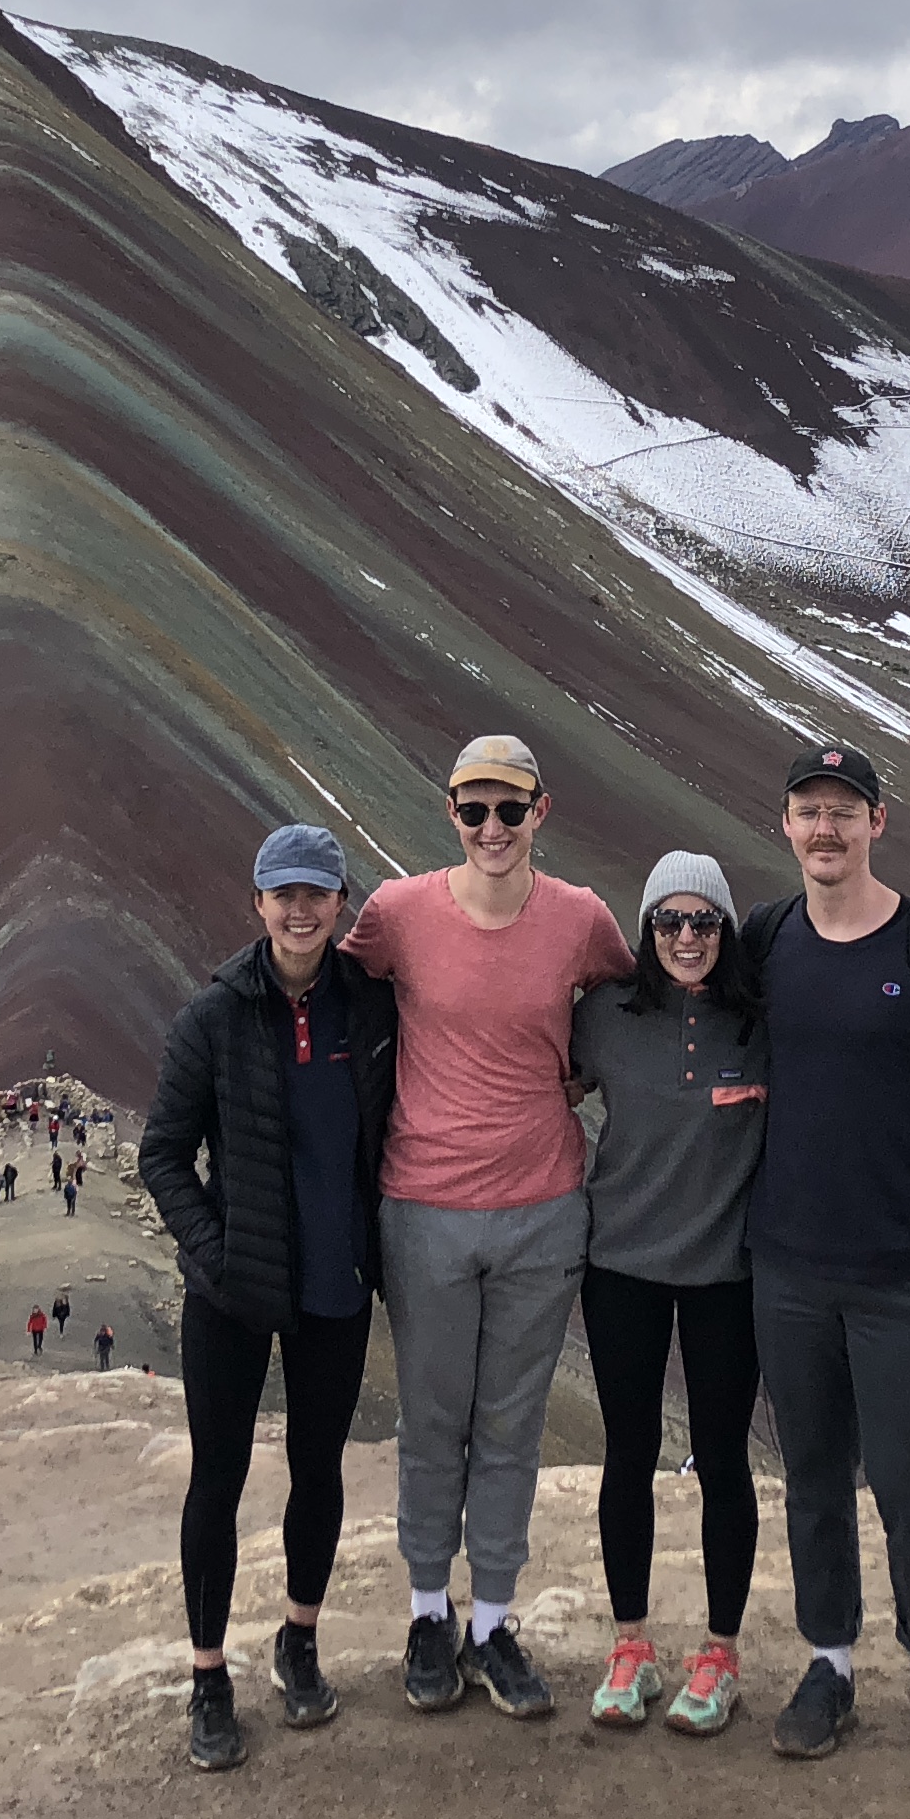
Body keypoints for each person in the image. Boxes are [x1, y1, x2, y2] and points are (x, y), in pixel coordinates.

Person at [345, 733, 635, 1719]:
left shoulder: (582, 921)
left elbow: (625, 1002)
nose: (493, 828)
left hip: (543, 1214)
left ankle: (492, 1622)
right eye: (475, 810)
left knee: (510, 1430)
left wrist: (588, 1070)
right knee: (433, 1424)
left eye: (511, 810)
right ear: (451, 815)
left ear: (541, 814)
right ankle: (429, 1612)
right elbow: (336, 988)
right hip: (423, 1209)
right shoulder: (397, 914)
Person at [740, 743, 910, 1761]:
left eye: (844, 811)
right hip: (792, 1268)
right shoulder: (767, 940)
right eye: (809, 810)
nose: (826, 828)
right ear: (786, 826)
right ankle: (830, 1665)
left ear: (877, 825)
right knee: (813, 1475)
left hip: (907, 1277)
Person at [140, 822, 401, 1775]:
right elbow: (162, 1153)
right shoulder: (212, 1018)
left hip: (336, 1282)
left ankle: (299, 1639)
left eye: (317, 893)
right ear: (257, 903)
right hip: (234, 1295)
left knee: (317, 1466)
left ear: (340, 904)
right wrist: (213, 1253)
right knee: (218, 1477)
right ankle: (209, 1678)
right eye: (282, 894)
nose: (300, 910)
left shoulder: (367, 1008)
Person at [570, 851, 769, 1736]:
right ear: (645, 931)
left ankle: (720, 1653)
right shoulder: (605, 1017)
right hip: (621, 1267)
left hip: (728, 1274)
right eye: (668, 922)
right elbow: (542, 1082)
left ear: (725, 932)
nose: (687, 938)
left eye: (704, 922)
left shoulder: (760, 1023)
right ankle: (632, 1646)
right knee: (629, 1454)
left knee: (724, 1461)